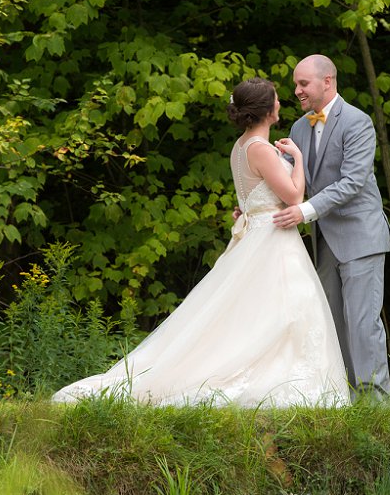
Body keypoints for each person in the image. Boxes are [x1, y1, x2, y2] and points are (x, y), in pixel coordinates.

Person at [52, 77, 350, 407]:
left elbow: (252, 196)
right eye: (277, 100)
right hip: (272, 237)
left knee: (262, 311)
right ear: (266, 110)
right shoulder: (261, 148)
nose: (281, 103)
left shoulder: (241, 146)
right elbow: (294, 196)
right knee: (285, 307)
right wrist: (299, 158)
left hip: (259, 232)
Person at [272, 54, 390, 400]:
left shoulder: (357, 122)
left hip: (361, 237)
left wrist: (304, 212)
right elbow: (285, 180)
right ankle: (346, 402)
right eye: (295, 84)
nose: (296, 90)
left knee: (362, 325)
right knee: (331, 324)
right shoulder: (298, 128)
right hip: (324, 240)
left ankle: (377, 409)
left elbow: (353, 182)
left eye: (303, 84)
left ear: (327, 81)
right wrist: (255, 207)